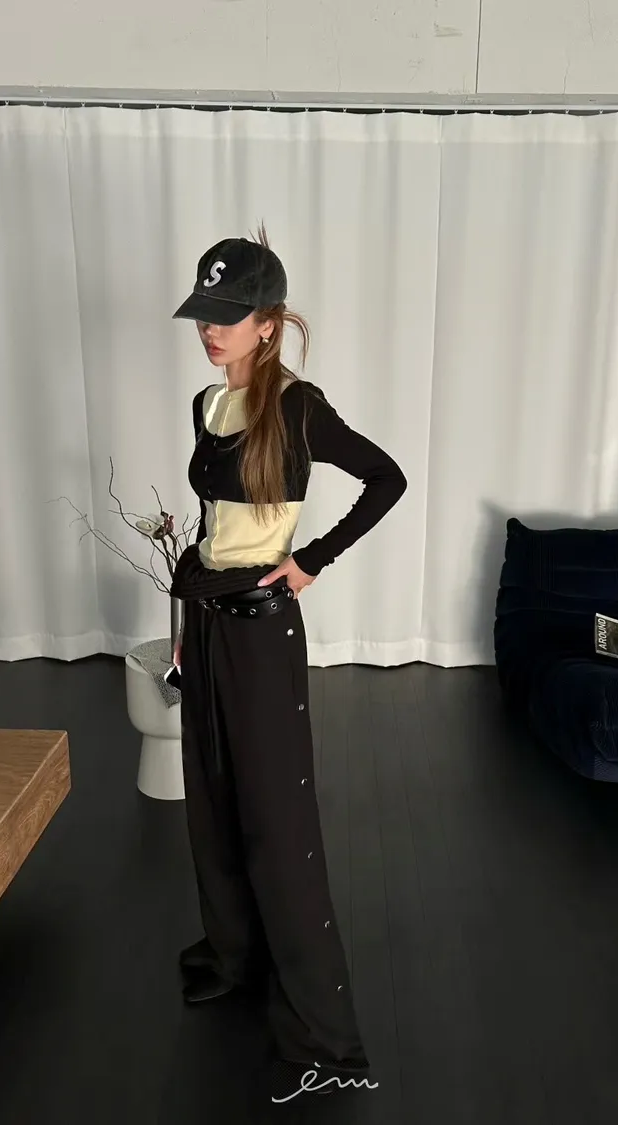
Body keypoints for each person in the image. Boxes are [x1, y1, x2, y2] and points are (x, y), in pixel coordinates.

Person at [168, 227, 407, 1103]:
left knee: (278, 824)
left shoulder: (298, 407)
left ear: (268, 323)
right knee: (213, 801)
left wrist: (312, 560)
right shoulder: (206, 404)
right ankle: (236, 954)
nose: (211, 329)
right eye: (206, 313)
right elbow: (211, 530)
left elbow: (387, 479)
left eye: (229, 316)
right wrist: (186, 624)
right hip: (207, 618)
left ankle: (323, 1037)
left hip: (264, 632)